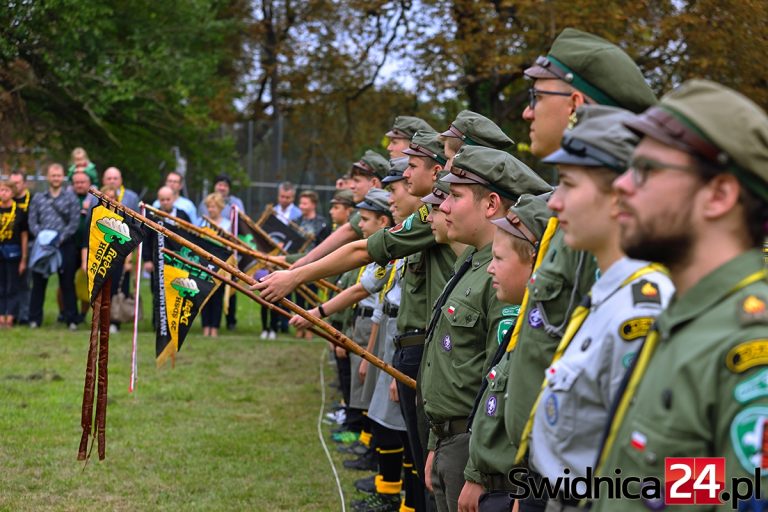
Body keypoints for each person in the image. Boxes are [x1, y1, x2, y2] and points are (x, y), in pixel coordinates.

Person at [490, 31, 658, 511]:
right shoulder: (595, 252)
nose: (527, 111)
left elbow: (700, 470)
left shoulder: (651, 288)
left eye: (536, 96)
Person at [591, 81, 768, 510]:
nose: (622, 186)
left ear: (720, 195)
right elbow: (688, 489)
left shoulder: (747, 345)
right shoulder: (688, 319)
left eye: (646, 170)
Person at [515, 106, 675, 512]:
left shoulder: (641, 314)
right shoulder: (610, 292)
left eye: (568, 184)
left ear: (621, 195)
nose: (555, 204)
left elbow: (675, 472)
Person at [420, 147, 551, 512]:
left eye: (455, 196)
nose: (443, 206)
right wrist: (435, 440)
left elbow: (494, 381)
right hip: (454, 441)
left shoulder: (507, 276)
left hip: (476, 449)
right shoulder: (473, 264)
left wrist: (477, 471)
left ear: (491, 204)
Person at [459, 194, 551, 512]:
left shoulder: (546, 336)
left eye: (499, 259)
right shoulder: (527, 325)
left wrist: (526, 495)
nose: (490, 269)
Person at [28, 163, 80, 329]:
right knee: (38, 283)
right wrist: (42, 238)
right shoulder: (38, 198)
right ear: (48, 177)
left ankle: (71, 319)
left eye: (58, 175)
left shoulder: (70, 197)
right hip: (42, 246)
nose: (56, 178)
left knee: (67, 283)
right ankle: (35, 319)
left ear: (62, 177)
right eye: (53, 175)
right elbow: (32, 221)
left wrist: (59, 239)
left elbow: (74, 222)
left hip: (64, 245)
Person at [198, 192, 230, 337]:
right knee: (204, 296)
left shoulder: (227, 225)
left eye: (214, 206)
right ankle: (205, 326)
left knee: (217, 296)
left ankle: (215, 327)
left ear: (220, 207)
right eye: (209, 206)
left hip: (221, 266)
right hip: (204, 265)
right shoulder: (201, 223)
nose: (211, 209)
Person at [0, 180, 28, 328]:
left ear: (12, 193)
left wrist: (24, 258)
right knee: (1, 285)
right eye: (1, 190)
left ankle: (10, 316)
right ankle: (0, 316)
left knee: (12, 285)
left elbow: (24, 236)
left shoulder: (19, 212)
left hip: (13, 251)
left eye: (6, 190)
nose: (3, 193)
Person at [9, 170, 31, 325]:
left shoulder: (33, 200)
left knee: (24, 281)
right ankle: (10, 313)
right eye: (12, 183)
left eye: (17, 182)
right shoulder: (5, 201)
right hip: (8, 245)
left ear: (24, 183)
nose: (15, 185)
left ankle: (24, 315)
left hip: (27, 244)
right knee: (8, 281)